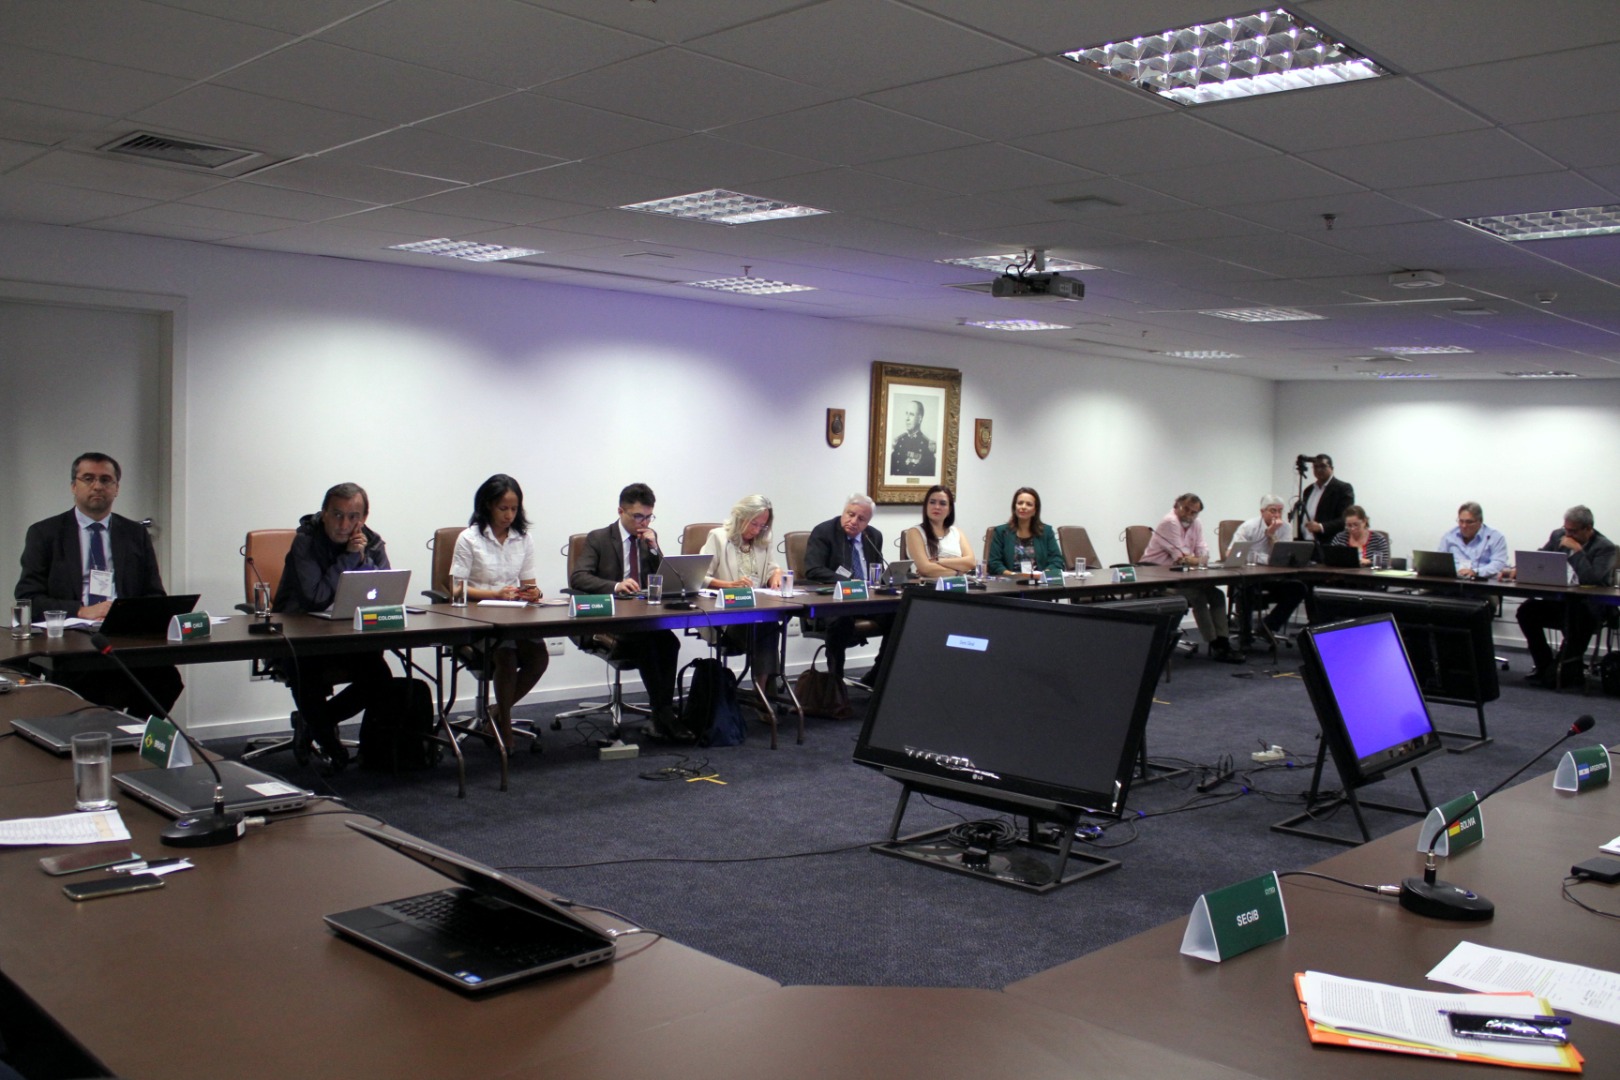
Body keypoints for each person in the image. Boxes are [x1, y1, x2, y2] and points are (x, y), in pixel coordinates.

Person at [14, 452, 185, 714]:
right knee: (88, 689)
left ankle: (129, 737)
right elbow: (28, 598)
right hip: (71, 640)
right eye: (88, 478)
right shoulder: (45, 533)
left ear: (116, 488)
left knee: (166, 681)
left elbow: (154, 594)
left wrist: (126, 613)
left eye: (106, 480)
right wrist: (81, 610)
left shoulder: (134, 534)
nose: (97, 486)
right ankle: (98, 738)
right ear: (74, 486)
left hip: (122, 636)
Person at [271, 482, 394, 773]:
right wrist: (350, 558)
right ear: (324, 513)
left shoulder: (372, 542)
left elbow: (385, 591)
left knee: (380, 676)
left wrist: (363, 559)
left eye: (354, 516)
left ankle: (313, 723)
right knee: (306, 677)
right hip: (300, 637)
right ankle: (329, 741)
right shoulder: (306, 541)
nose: (345, 524)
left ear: (364, 518)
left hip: (348, 635)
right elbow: (315, 598)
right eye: (337, 515)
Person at [570, 482, 683, 739]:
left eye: (648, 517)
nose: (643, 523)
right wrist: (616, 585)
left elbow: (664, 578)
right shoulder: (598, 538)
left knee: (670, 643)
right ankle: (663, 715)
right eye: (637, 516)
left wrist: (655, 548)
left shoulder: (647, 540)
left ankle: (662, 713)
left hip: (642, 617)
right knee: (648, 644)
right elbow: (579, 578)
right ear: (621, 511)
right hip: (610, 618)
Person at [450, 474, 549, 748]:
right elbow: (456, 590)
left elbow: (530, 584)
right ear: (487, 506)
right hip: (475, 621)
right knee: (505, 655)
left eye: (514, 509)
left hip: (513, 617)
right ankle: (503, 724)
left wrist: (533, 593)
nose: (508, 515)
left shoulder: (523, 538)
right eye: (502, 508)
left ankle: (494, 713)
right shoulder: (469, 539)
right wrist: (494, 593)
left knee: (539, 657)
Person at [1508, 505, 1617, 689]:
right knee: (1527, 611)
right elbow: (1541, 558)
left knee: (1576, 618)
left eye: (1573, 531)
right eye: (1566, 529)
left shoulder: (1605, 548)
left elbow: (1593, 579)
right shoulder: (1558, 535)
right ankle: (1544, 664)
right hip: (1560, 602)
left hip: (1588, 608)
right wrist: (1519, 568)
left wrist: (1578, 552)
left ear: (1588, 529)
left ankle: (1560, 670)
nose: (1567, 535)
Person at [1140, 493, 1243, 663]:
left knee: (1217, 594)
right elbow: (1180, 556)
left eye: (1194, 512)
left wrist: (1197, 558)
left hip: (1182, 575)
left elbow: (1202, 550)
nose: (1189, 514)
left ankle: (1223, 641)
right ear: (1177, 506)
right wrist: (1196, 559)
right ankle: (1216, 644)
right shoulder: (1170, 522)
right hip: (1156, 576)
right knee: (1197, 596)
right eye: (1186, 509)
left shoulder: (1196, 523)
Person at [803, 494, 892, 684]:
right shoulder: (824, 532)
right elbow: (813, 569)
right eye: (850, 514)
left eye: (861, 519)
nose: (853, 521)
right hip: (836, 601)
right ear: (843, 511)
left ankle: (877, 675)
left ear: (868, 522)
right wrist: (851, 582)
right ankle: (836, 682)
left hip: (869, 600)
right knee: (840, 620)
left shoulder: (873, 536)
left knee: (899, 618)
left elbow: (877, 571)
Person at [701, 494, 784, 695]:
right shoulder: (718, 537)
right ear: (740, 517)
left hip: (757, 608)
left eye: (762, 526)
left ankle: (763, 691)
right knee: (767, 626)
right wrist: (729, 585)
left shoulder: (763, 540)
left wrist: (776, 575)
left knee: (768, 623)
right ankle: (764, 692)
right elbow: (700, 576)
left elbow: (774, 567)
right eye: (754, 524)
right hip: (727, 617)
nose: (757, 530)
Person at [1230, 494, 1305, 637]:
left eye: (1280, 511)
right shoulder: (1248, 527)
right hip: (1250, 578)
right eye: (1272, 510)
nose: (1277, 515)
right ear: (1262, 511)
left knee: (1298, 588)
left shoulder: (1286, 528)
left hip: (1273, 578)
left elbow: (1284, 557)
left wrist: (1271, 535)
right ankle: (1245, 636)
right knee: (1246, 590)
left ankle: (1268, 626)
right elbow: (1232, 554)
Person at [986, 487, 1064, 576]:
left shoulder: (1046, 532)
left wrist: (1042, 575)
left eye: (1029, 504)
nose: (1023, 507)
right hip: (1009, 584)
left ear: (1035, 510)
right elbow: (994, 563)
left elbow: (1057, 561)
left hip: (1039, 584)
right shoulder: (1001, 532)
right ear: (1014, 507)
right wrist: (1013, 575)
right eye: (1020, 503)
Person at [905, 485, 977, 579]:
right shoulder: (915, 532)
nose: (937, 507)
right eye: (932, 502)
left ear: (950, 509)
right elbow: (926, 569)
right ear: (926, 506)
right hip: (928, 588)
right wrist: (959, 572)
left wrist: (938, 561)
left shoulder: (957, 532)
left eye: (942, 503)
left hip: (957, 586)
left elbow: (971, 562)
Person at [1438, 501, 1508, 579]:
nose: (1464, 526)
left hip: (1483, 583)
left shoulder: (1494, 537)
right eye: (1461, 521)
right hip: (1453, 582)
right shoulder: (1449, 536)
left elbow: (1499, 563)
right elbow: (1439, 561)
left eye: (1469, 522)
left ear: (1480, 521)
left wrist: (1476, 572)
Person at [1295, 454, 1354, 545]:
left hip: (1328, 543)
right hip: (1304, 542)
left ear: (1331, 468)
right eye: (1315, 467)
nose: (1318, 470)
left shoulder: (1343, 488)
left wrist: (1321, 527)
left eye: (1322, 466)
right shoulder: (1308, 490)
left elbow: (1346, 519)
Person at [888, 398, 936, 476]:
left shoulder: (927, 445)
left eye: (911, 414)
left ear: (919, 419)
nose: (907, 418)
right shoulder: (899, 441)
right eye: (906, 413)